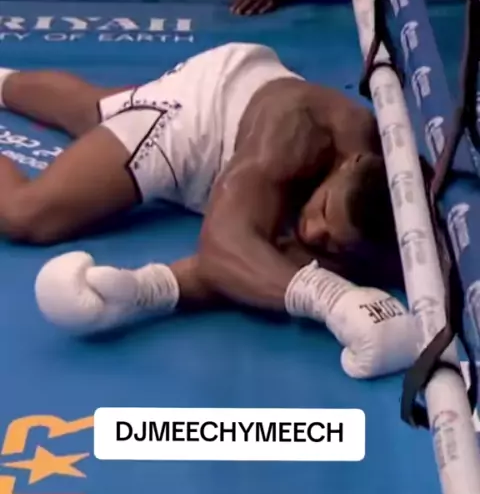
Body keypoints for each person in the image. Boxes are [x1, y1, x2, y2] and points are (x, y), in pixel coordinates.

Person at [0, 44, 415, 377]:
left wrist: (141, 291)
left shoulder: (388, 184)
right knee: (24, 214)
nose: (313, 229)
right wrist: (332, 300)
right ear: (349, 164)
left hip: (250, 87)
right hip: (195, 122)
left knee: (98, 109)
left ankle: (145, 289)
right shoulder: (294, 133)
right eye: (322, 210)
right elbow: (224, 247)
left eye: (333, 237)